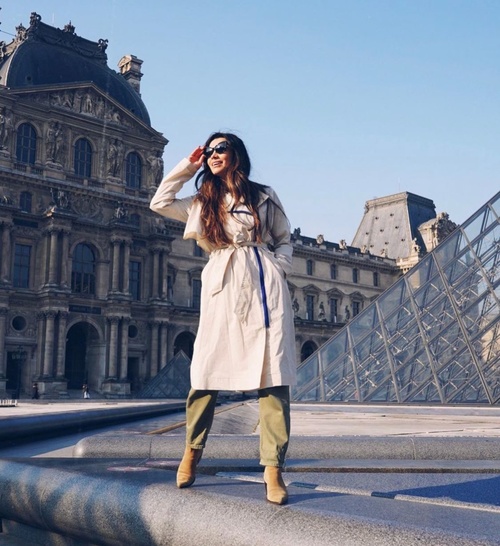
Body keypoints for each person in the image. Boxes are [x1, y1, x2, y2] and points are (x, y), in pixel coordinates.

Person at [150, 132, 296, 505]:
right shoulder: (202, 200)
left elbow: (284, 237)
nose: (214, 155)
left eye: (220, 149)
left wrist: (278, 266)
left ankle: (273, 470)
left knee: (273, 378)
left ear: (236, 155)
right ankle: (191, 452)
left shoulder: (264, 196)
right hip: (222, 282)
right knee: (205, 373)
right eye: (209, 151)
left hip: (263, 284)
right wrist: (188, 165)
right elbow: (159, 201)